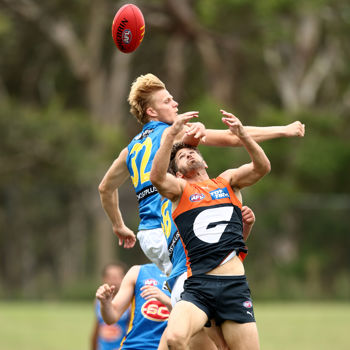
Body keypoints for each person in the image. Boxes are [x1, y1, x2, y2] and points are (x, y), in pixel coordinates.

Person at [98, 73, 305, 275]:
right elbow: (231, 138)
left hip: (147, 235)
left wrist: (119, 225)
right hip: (171, 227)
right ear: (151, 111)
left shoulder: (131, 149)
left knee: (184, 293)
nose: (175, 103)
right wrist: (284, 130)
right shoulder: (173, 132)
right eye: (167, 101)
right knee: (203, 285)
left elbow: (105, 188)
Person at [150, 112, 271, 349]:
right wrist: (171, 135)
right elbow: (156, 177)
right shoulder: (180, 191)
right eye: (182, 156)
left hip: (234, 287)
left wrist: (243, 134)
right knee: (174, 339)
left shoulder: (227, 181)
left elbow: (262, 167)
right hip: (198, 287)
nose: (189, 153)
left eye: (192, 151)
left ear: (204, 162)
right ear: (178, 173)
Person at [95, 263, 171, 350]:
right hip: (134, 346)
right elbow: (111, 318)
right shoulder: (138, 272)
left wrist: (167, 301)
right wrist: (106, 303)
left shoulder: (187, 275)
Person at [91, 262, 130, 350]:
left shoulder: (130, 303)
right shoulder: (98, 301)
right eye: (109, 277)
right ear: (103, 279)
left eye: (116, 277)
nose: (113, 280)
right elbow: (97, 328)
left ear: (125, 278)